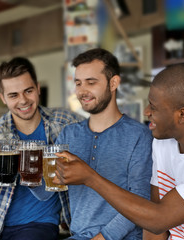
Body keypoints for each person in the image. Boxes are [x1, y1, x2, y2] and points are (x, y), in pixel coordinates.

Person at [54, 62, 184, 239]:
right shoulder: (163, 142)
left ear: (182, 114)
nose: (146, 112)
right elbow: (153, 229)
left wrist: (90, 178)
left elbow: (158, 219)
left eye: (154, 107)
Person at [0, 57, 84, 240]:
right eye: (13, 95)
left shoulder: (65, 122)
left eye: (28, 91)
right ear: (2, 97)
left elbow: (95, 144)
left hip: (39, 224)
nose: (23, 101)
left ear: (38, 88)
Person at [53, 48, 153, 239]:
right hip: (77, 235)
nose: (82, 91)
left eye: (91, 82)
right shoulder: (69, 134)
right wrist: (28, 174)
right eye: (78, 83)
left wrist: (104, 237)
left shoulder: (139, 135)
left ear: (113, 82)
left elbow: (141, 200)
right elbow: (48, 190)